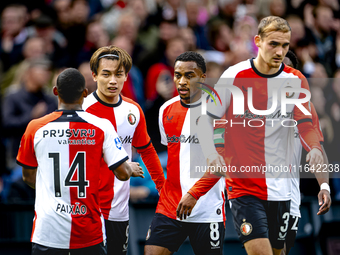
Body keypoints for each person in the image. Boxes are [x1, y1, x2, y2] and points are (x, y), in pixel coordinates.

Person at [197, 16, 330, 255]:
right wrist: (210, 152)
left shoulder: (295, 80)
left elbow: (306, 124)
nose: (280, 51)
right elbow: (206, 118)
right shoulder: (234, 75)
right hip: (243, 186)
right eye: (274, 44)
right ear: (257, 41)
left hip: (281, 189)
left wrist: (315, 149)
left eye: (285, 45)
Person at [16, 68, 143, 254]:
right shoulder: (101, 126)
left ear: (55, 91)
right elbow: (122, 174)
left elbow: (28, 176)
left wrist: (50, 187)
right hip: (89, 230)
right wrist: (130, 167)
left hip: (48, 231)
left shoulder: (35, 128)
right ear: (85, 93)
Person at [82, 45, 165, 255]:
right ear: (94, 75)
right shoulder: (82, 111)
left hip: (119, 208)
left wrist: (164, 190)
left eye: (118, 74)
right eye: (106, 74)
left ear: (126, 76)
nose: (113, 81)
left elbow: (147, 151)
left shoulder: (133, 110)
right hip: (87, 209)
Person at [144, 51, 226, 255]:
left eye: (189, 76)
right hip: (171, 206)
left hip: (207, 209)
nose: (181, 81)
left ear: (203, 78)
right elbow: (171, 155)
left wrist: (193, 194)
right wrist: (162, 187)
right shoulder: (166, 110)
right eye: (177, 75)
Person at [283, 51, 331, 254]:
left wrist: (325, 186)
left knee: (280, 248)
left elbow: (317, 150)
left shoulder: (305, 109)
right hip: (253, 189)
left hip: (288, 192)